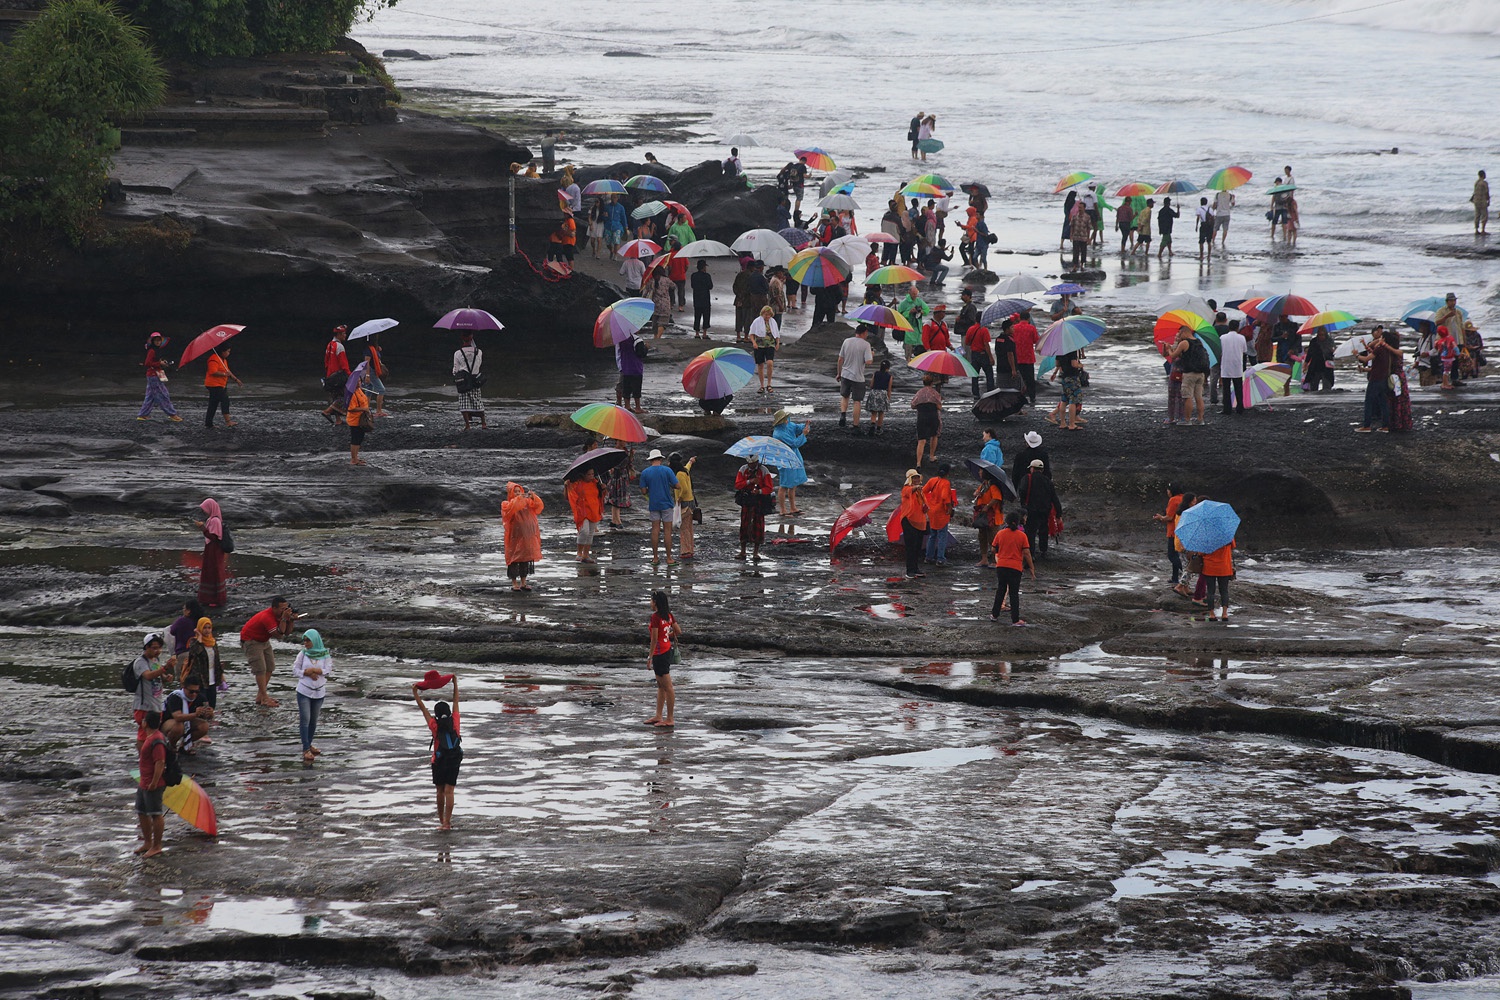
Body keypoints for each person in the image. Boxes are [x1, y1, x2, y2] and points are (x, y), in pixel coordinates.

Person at [412, 672, 460, 830]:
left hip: (439, 760)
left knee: (440, 790)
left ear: (437, 714)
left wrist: (415, 693)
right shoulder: (455, 721)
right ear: (448, 712)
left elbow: (422, 709)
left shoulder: (434, 725)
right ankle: (447, 822)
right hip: (454, 758)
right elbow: (456, 702)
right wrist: (455, 684)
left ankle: (441, 821)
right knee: (450, 791)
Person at [241, 596, 294, 707]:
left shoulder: (280, 615)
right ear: (274, 608)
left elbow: (287, 633)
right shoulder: (267, 617)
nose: (284, 611)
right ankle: (264, 698)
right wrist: (284, 619)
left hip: (263, 640)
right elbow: (279, 635)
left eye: (286, 608)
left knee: (270, 667)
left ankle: (260, 696)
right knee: (260, 669)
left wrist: (291, 620)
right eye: (282, 609)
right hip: (251, 640)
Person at [291, 629, 332, 763]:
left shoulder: (325, 654)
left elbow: (328, 670)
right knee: (305, 719)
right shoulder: (302, 654)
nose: (306, 643)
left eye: (308, 640)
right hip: (304, 691)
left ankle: (309, 744)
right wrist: (306, 673)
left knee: (313, 720)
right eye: (304, 640)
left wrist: (315, 670)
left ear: (315, 641)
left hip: (319, 692)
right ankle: (305, 749)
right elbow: (295, 670)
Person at [991, 510, 1035, 625]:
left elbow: (993, 549)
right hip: (1015, 567)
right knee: (1014, 593)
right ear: (1018, 522)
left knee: (1001, 590)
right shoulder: (1022, 536)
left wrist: (1000, 553)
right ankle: (1015, 620)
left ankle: (994, 615)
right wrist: (1031, 568)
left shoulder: (1000, 533)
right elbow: (1027, 553)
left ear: (1007, 521)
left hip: (1001, 566)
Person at [135, 710, 168, 857]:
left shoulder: (157, 739)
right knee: (141, 811)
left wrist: (154, 782)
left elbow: (160, 762)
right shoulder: (150, 738)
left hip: (153, 783)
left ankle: (157, 845)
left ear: (145, 723)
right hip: (144, 782)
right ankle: (148, 842)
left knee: (155, 813)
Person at [645, 590, 680, 727]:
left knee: (668, 686)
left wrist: (650, 657)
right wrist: (667, 635)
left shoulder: (655, 617)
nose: (650, 603)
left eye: (651, 600)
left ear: (656, 602)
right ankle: (659, 715)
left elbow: (654, 639)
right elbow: (678, 631)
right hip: (666, 650)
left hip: (660, 653)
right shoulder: (669, 616)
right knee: (660, 685)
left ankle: (670, 718)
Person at [638, 449, 679, 566]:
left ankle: (655, 558)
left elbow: (643, 490)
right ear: (660, 459)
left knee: (655, 530)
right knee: (667, 531)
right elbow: (677, 485)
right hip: (666, 504)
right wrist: (669, 485)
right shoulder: (667, 470)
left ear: (651, 460)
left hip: (654, 504)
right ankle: (669, 558)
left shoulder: (645, 472)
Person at [131, 633, 173, 745]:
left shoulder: (155, 660)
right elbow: (148, 675)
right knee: (144, 733)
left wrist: (166, 677)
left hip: (156, 703)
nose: (158, 651)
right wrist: (165, 668)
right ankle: (143, 759)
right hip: (144, 705)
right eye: (154, 648)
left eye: (159, 648)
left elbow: (158, 676)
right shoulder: (140, 662)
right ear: (146, 647)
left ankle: (151, 756)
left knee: (153, 732)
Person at [501, 481, 544, 590]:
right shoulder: (506, 504)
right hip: (514, 537)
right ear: (510, 493)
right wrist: (520, 498)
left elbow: (539, 506)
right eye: (515, 492)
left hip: (527, 537)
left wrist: (533, 497)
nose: (517, 493)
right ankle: (514, 583)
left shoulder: (527, 502)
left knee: (525, 559)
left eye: (519, 491)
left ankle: (523, 582)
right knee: (514, 560)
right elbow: (513, 507)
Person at [1019, 459, 1062, 559]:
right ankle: (1043, 551)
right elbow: (1054, 498)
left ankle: (1031, 554)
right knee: (1043, 531)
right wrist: (1058, 514)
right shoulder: (1048, 481)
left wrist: (1023, 506)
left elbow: (1022, 492)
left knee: (1030, 532)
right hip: (1045, 511)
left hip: (1031, 510)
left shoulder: (1027, 478)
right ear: (1042, 470)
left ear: (1032, 469)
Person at [1355, 328, 1396, 432]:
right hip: (1383, 379)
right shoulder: (1388, 350)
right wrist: (1364, 369)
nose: (1379, 339)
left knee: (1369, 401)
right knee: (1383, 402)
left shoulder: (1380, 349)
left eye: (1381, 337)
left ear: (1384, 339)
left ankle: (1366, 425)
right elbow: (1377, 364)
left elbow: (1366, 359)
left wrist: (1356, 354)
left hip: (1375, 379)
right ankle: (1385, 425)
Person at [734, 454, 773, 561]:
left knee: (758, 525)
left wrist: (759, 491)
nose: (750, 466)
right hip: (746, 501)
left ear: (756, 462)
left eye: (752, 464)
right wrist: (749, 482)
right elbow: (737, 485)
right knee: (744, 524)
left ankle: (756, 552)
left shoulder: (764, 471)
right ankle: (743, 551)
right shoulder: (743, 469)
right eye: (749, 464)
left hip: (758, 501)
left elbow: (769, 488)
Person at [136, 332, 181, 422]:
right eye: (156, 340)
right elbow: (147, 363)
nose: (158, 342)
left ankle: (142, 415)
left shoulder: (156, 350)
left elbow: (153, 362)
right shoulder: (152, 351)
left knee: (150, 396)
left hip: (155, 374)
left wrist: (162, 364)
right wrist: (159, 363)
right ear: (153, 341)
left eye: (159, 340)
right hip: (153, 375)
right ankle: (172, 414)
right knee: (163, 395)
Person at [836, 324, 874, 434]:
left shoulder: (846, 341)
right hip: (858, 377)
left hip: (845, 374)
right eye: (866, 333)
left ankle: (843, 415)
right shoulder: (866, 345)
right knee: (857, 401)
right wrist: (871, 354)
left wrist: (839, 373)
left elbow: (840, 359)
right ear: (864, 333)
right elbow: (868, 362)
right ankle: (855, 424)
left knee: (844, 396)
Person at [771, 410, 809, 516]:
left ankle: (793, 508)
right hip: (784, 459)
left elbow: (796, 427)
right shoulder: (779, 434)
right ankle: (782, 510)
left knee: (793, 484)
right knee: (784, 485)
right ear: (780, 421)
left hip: (795, 456)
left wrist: (804, 426)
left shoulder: (788, 424)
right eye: (785, 419)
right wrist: (804, 434)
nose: (787, 420)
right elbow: (795, 443)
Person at [162, 677, 213, 753]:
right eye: (191, 691)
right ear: (184, 687)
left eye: (197, 691)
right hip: (168, 722)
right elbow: (177, 717)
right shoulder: (175, 696)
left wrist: (210, 714)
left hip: (188, 721)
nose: (194, 694)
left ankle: (184, 745)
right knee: (179, 727)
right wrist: (195, 714)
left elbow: (207, 715)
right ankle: (172, 745)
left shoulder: (201, 697)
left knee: (204, 726)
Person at [193, 498, 228, 608]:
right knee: (209, 572)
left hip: (214, 551)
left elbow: (213, 536)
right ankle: (207, 598)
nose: (204, 511)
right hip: (211, 550)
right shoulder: (211, 519)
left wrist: (202, 528)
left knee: (214, 572)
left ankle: (215, 599)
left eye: (205, 509)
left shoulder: (215, 521)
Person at [181, 616, 222, 708]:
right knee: (202, 705)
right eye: (204, 628)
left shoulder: (213, 643)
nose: (207, 630)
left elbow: (216, 660)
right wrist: (199, 639)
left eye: (209, 628)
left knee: (212, 705)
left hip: (212, 679)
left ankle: (210, 722)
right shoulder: (194, 642)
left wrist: (221, 676)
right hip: (200, 680)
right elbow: (195, 653)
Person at [566, 468, 603, 563]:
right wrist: (567, 487)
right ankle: (579, 553)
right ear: (583, 475)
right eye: (589, 474)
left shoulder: (596, 483)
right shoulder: (576, 484)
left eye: (592, 474)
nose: (591, 476)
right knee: (584, 531)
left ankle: (586, 555)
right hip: (582, 511)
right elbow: (568, 496)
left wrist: (603, 489)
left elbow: (600, 496)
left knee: (590, 533)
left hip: (594, 509)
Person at [922, 463, 957, 565]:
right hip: (942, 512)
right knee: (942, 535)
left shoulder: (932, 480)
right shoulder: (946, 483)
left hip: (931, 511)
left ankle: (928, 557)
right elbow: (945, 497)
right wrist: (950, 509)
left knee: (932, 534)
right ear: (948, 473)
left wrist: (927, 503)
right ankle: (940, 559)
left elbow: (923, 491)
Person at [898, 469, 929, 578]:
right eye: (914, 478)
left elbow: (923, 505)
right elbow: (908, 491)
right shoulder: (906, 489)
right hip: (909, 521)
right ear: (910, 479)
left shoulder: (920, 492)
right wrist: (916, 487)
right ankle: (909, 570)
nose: (916, 480)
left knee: (917, 547)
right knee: (910, 547)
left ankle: (915, 568)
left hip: (919, 521)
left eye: (917, 478)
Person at [453, 333, 487, 430]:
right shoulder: (479, 351)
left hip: (464, 380)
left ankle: (467, 425)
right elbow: (479, 364)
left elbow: (456, 369)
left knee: (463, 402)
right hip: (475, 379)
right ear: (472, 338)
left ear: (462, 339)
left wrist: (456, 376)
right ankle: (483, 423)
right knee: (477, 400)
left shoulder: (458, 353)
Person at [1154, 488, 1187, 590]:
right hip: (1183, 530)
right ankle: (1174, 577)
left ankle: (1186, 572)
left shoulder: (1173, 499)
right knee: (1177, 554)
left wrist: (1160, 517)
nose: (1167, 492)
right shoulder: (1184, 498)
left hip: (1173, 531)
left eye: (1168, 490)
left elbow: (1169, 517)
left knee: (1172, 555)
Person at [202, 344, 241, 428]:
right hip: (214, 385)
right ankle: (228, 421)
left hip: (220, 384)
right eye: (228, 351)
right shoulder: (213, 359)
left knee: (213, 404)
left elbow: (228, 372)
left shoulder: (223, 360)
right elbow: (213, 372)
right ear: (223, 351)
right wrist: (224, 374)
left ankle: (208, 424)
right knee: (225, 400)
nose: (229, 353)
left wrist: (236, 379)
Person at [1178, 329, 1211, 425]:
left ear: (1185, 332)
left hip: (1189, 374)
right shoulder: (1199, 342)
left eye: (1180, 333)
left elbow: (1173, 355)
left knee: (1187, 397)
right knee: (1199, 397)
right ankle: (1201, 419)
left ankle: (1187, 420)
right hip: (1200, 374)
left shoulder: (1184, 343)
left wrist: (1168, 348)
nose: (1180, 335)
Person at [911, 375, 943, 467]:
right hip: (933, 416)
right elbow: (939, 407)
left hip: (921, 416)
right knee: (934, 436)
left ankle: (918, 462)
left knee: (921, 440)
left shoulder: (919, 393)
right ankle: (932, 456)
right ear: (932, 383)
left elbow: (913, 405)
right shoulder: (935, 393)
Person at [320, 326, 350, 423]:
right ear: (339, 334)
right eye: (344, 333)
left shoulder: (330, 345)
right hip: (338, 376)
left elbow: (326, 361)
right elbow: (343, 364)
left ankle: (338, 420)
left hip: (330, 375)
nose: (345, 335)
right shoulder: (340, 346)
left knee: (335, 396)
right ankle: (327, 411)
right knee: (344, 396)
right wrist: (349, 375)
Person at [1049, 350, 1085, 430]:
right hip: (1073, 377)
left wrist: (1055, 373)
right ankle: (1072, 424)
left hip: (1064, 377)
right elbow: (1074, 364)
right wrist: (1080, 365)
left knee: (1064, 400)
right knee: (1073, 400)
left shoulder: (1059, 350)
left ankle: (1063, 423)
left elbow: (1057, 364)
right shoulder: (1072, 350)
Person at [670, 454, 697, 560]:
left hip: (684, 503)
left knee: (684, 528)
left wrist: (679, 498)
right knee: (689, 528)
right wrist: (691, 461)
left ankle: (686, 551)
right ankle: (690, 549)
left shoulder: (679, 475)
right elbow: (688, 466)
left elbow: (684, 489)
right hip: (691, 503)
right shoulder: (685, 471)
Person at [1200, 539, 1235, 622]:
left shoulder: (1206, 537)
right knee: (1224, 591)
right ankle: (1225, 614)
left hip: (1209, 567)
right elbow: (1232, 547)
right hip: (1224, 566)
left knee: (1210, 591)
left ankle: (1212, 614)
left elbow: (1201, 553)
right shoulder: (1228, 535)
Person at [749, 305, 781, 394]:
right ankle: (762, 385)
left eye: (769, 315)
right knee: (760, 365)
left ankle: (769, 384)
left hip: (770, 344)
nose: (768, 317)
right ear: (762, 314)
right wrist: (754, 343)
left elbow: (776, 333)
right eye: (766, 315)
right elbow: (751, 334)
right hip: (759, 345)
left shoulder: (772, 322)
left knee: (770, 362)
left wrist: (777, 343)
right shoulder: (757, 321)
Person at [1219, 320, 1248, 413]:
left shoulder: (1222, 338)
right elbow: (1244, 350)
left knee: (1226, 389)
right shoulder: (1241, 337)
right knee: (1238, 388)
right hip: (1237, 365)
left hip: (1226, 364)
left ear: (1229, 327)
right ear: (1237, 327)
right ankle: (1240, 407)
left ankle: (1227, 409)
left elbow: (1220, 351)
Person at [1012, 310, 1040, 406]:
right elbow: (1036, 341)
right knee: (1030, 379)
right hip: (1028, 357)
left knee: (1018, 379)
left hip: (1017, 357)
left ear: (1019, 318)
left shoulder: (1014, 328)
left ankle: (1018, 397)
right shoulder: (1031, 328)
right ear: (1028, 319)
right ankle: (1032, 397)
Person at [604, 444, 635, 526]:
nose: (622, 442)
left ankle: (615, 520)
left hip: (623, 476)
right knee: (615, 498)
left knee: (619, 498)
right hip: (616, 476)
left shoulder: (625, 450)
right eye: (620, 441)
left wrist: (631, 455)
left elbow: (629, 463)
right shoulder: (614, 451)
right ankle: (616, 520)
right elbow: (612, 463)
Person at [346, 370, 372, 466]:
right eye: (356, 382)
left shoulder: (359, 390)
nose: (358, 383)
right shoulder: (351, 394)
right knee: (355, 439)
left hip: (361, 418)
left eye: (359, 381)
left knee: (360, 438)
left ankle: (356, 457)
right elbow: (351, 408)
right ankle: (353, 459)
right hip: (354, 420)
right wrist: (364, 408)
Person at [964, 318, 994, 397]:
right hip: (983, 354)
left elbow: (967, 342)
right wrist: (991, 357)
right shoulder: (984, 330)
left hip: (974, 354)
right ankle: (990, 393)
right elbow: (986, 345)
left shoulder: (970, 329)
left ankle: (975, 394)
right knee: (989, 375)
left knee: (974, 375)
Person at [616, 334, 644, 413]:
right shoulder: (637, 340)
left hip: (625, 368)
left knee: (626, 389)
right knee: (636, 388)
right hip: (636, 368)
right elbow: (641, 353)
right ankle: (638, 407)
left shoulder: (620, 340)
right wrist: (646, 348)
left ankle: (627, 406)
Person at [364, 334, 389, 417]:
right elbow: (366, 363)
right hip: (371, 371)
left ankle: (365, 409)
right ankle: (378, 411)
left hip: (373, 370)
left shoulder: (374, 349)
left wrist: (377, 350)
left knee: (369, 390)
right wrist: (367, 375)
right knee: (381, 390)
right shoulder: (368, 350)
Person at [868, 359, 892, 436]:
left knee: (874, 411)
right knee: (881, 412)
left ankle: (872, 425)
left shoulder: (876, 373)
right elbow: (889, 388)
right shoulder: (889, 376)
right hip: (883, 393)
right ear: (888, 368)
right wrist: (888, 397)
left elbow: (871, 385)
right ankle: (878, 428)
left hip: (874, 392)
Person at [690, 259, 713, 337]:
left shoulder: (693, 275)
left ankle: (697, 333)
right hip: (705, 299)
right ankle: (704, 333)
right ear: (703, 267)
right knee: (706, 316)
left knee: (697, 316)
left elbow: (692, 286)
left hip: (697, 298)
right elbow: (710, 286)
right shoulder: (707, 276)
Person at [650, 267, 672, 338]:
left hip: (655, 304)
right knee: (662, 322)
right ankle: (658, 337)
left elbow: (646, 292)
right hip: (665, 305)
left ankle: (655, 336)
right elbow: (674, 286)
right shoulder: (667, 280)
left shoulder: (652, 280)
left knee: (655, 322)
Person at [1473, 170, 1490, 234]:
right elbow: (1486, 192)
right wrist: (1488, 200)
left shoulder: (1476, 182)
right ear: (1483, 175)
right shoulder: (1484, 183)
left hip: (1476, 201)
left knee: (1477, 215)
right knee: (1484, 215)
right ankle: (1483, 230)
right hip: (1482, 201)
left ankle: (1476, 230)